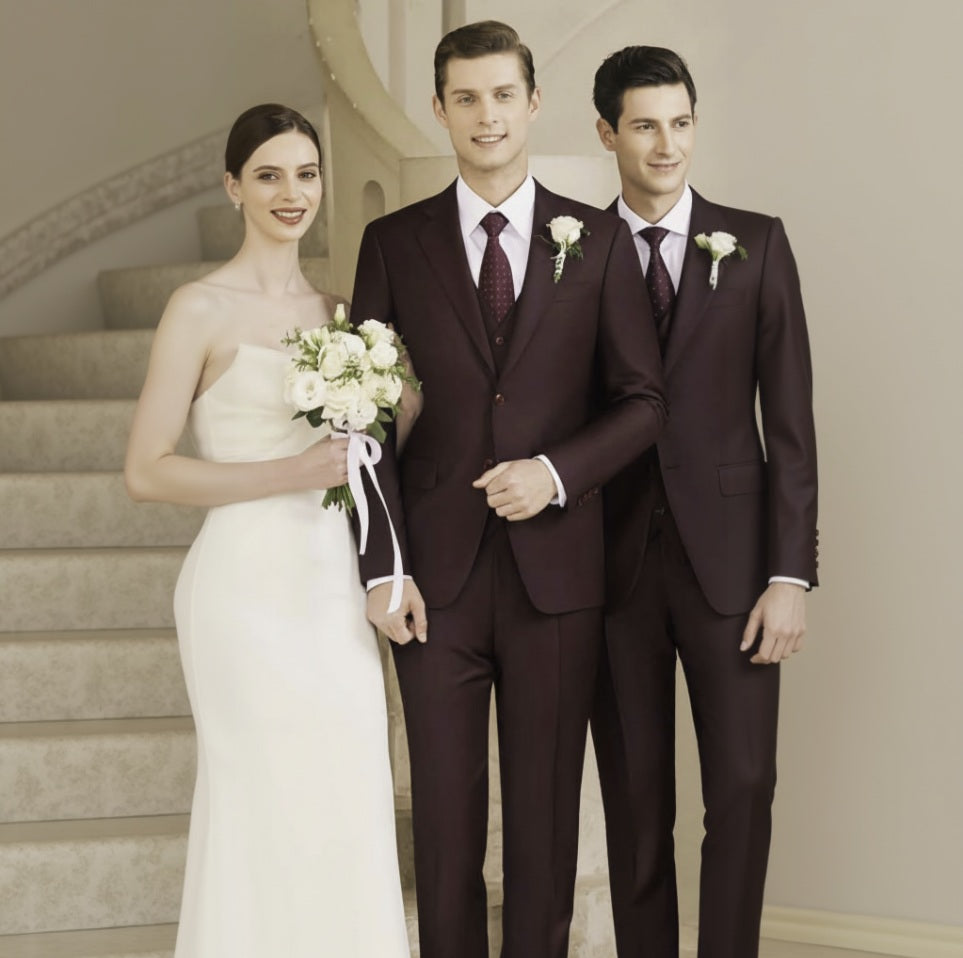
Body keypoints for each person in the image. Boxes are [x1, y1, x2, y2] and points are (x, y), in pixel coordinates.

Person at [349, 20, 666, 958]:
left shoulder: (601, 240)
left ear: (532, 103)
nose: (485, 116)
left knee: (542, 833)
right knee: (445, 835)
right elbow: (359, 417)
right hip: (432, 587)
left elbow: (644, 402)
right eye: (464, 98)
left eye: (501, 96)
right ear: (439, 109)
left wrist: (557, 473)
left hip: (557, 584)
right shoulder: (392, 243)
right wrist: (382, 567)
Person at [124, 104, 411, 958]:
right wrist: (288, 473)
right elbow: (146, 470)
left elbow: (371, 467)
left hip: (332, 588)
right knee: (259, 804)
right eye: (269, 175)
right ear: (233, 187)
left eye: (307, 173)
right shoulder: (197, 307)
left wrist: (388, 571)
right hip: (242, 593)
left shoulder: (343, 312)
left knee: (346, 798)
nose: (293, 194)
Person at [589, 46, 819, 958]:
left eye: (679, 122)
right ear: (605, 131)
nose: (665, 144)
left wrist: (789, 573)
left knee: (744, 788)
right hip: (608, 569)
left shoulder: (755, 242)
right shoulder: (573, 249)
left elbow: (791, 423)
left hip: (733, 570)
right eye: (643, 125)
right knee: (636, 804)